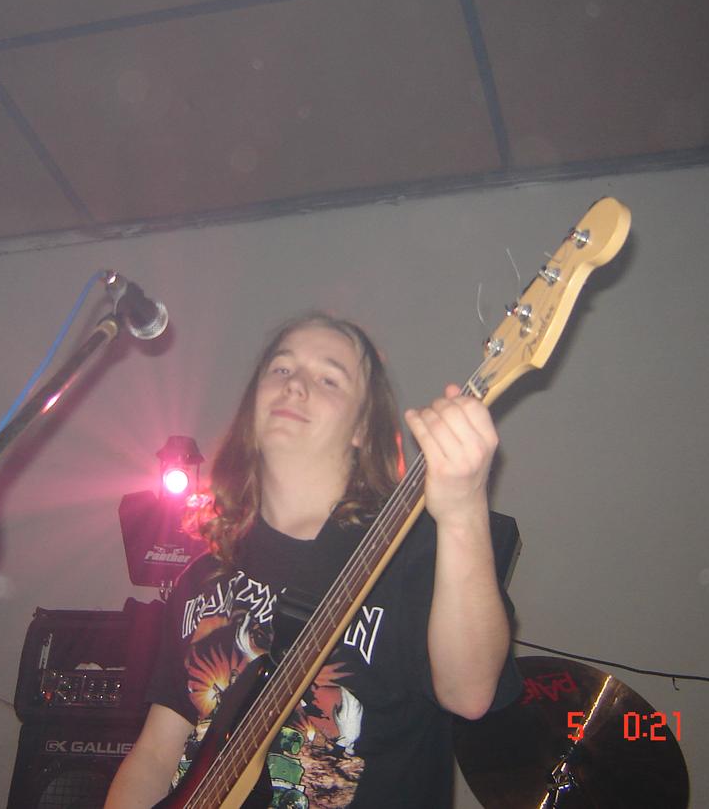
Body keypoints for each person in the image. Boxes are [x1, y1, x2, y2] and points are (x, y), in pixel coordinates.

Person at [105, 312, 520, 808]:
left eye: (328, 379)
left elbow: (470, 694)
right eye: (281, 369)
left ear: (363, 428)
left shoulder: (413, 553)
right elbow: (156, 755)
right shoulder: (203, 575)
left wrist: (464, 510)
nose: (295, 385)